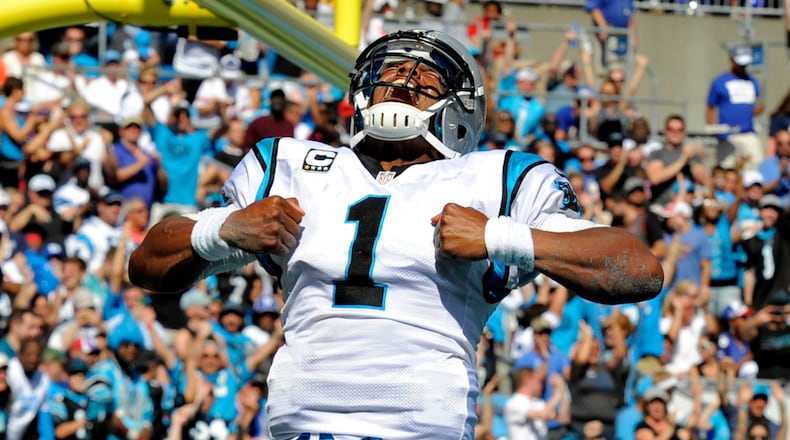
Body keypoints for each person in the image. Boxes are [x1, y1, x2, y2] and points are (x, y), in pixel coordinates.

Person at [129, 30, 663, 439]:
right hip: (301, 425)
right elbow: (146, 265)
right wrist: (224, 228)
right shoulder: (287, 163)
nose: (403, 84)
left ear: (461, 107)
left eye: (424, 79)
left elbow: (638, 269)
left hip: (422, 426)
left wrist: (502, 237)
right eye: (390, 74)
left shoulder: (494, 178)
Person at [706, 46, 765, 171]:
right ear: (731, 60)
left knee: (756, 164)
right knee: (727, 168)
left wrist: (759, 109)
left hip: (747, 132)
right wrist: (713, 128)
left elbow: (755, 107)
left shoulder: (752, 81)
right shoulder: (719, 81)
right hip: (727, 134)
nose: (742, 66)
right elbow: (710, 107)